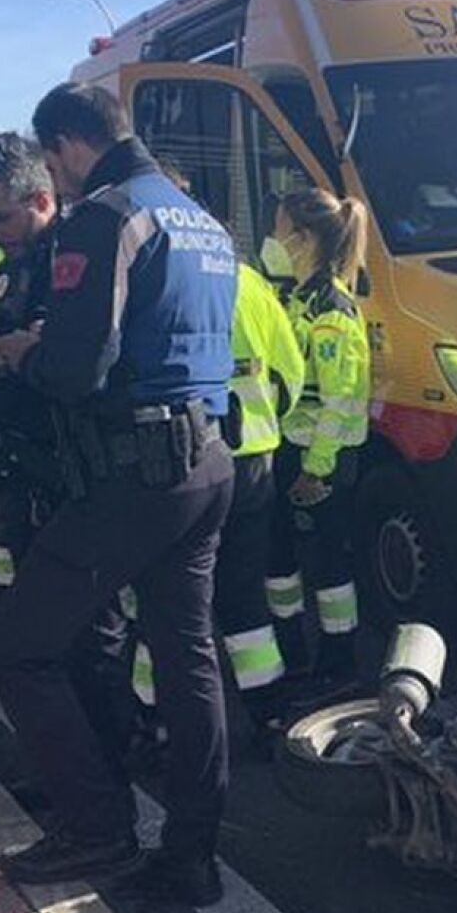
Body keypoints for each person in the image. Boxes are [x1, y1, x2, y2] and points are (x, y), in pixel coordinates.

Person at [0, 84, 235, 904]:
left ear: (63, 148)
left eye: (52, 162)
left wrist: (13, 354)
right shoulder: (202, 220)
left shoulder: (107, 217)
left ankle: (95, 827)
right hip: (206, 460)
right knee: (188, 660)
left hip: (133, 473)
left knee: (16, 645)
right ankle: (192, 856)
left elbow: (78, 370)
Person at [0, 132, 134, 773]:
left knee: (84, 636)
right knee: (22, 625)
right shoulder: (12, 264)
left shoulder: (78, 255)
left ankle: (104, 772)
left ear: (41, 196)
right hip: (20, 472)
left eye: (0, 217)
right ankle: (59, 763)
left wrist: (2, 367)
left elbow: (79, 376)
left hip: (72, 477)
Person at [128, 253, 304, 752]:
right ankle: (269, 713)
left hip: (182, 458)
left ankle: (151, 717)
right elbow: (290, 368)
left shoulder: (157, 277)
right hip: (252, 460)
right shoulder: (251, 283)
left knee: (168, 595)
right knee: (244, 592)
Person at [265, 189, 372, 689]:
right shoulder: (295, 297)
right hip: (290, 449)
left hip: (319, 457)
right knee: (282, 560)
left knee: (329, 565)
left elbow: (342, 398)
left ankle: (340, 661)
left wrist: (317, 467)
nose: (273, 239)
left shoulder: (329, 308)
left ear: (304, 239)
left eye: (279, 229)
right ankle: (295, 654)